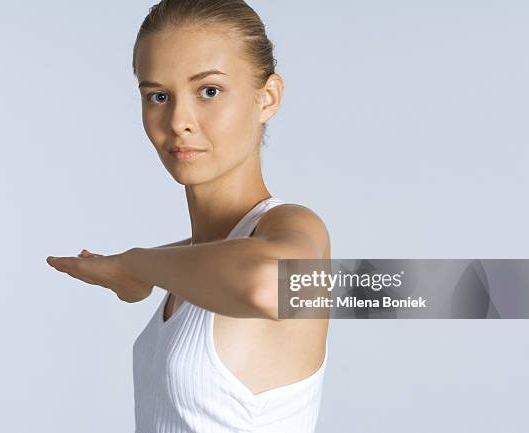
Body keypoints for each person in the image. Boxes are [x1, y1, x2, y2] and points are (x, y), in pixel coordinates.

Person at [47, 1, 330, 432]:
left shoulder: (293, 227)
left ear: (267, 97)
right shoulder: (195, 266)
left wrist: (134, 265)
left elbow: (270, 283)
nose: (178, 121)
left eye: (209, 91)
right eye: (158, 96)